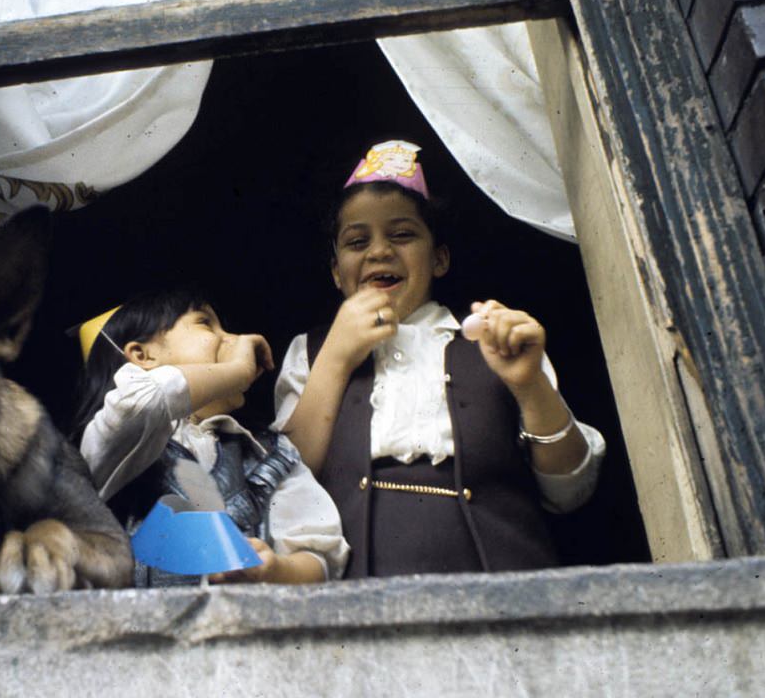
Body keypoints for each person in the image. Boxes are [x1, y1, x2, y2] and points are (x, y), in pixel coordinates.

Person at [273, 140, 605, 578]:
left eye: (402, 234)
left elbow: (570, 491)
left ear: (439, 259)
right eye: (357, 241)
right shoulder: (310, 352)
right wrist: (334, 359)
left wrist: (529, 385)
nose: (378, 251)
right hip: (361, 600)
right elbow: (279, 486)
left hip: (502, 589)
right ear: (337, 272)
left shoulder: (492, 338)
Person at [70, 290, 349, 587]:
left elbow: (320, 554)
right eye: (205, 323)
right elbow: (141, 401)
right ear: (142, 356)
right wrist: (237, 370)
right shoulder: (111, 445)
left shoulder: (267, 453)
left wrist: (274, 569)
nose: (233, 339)